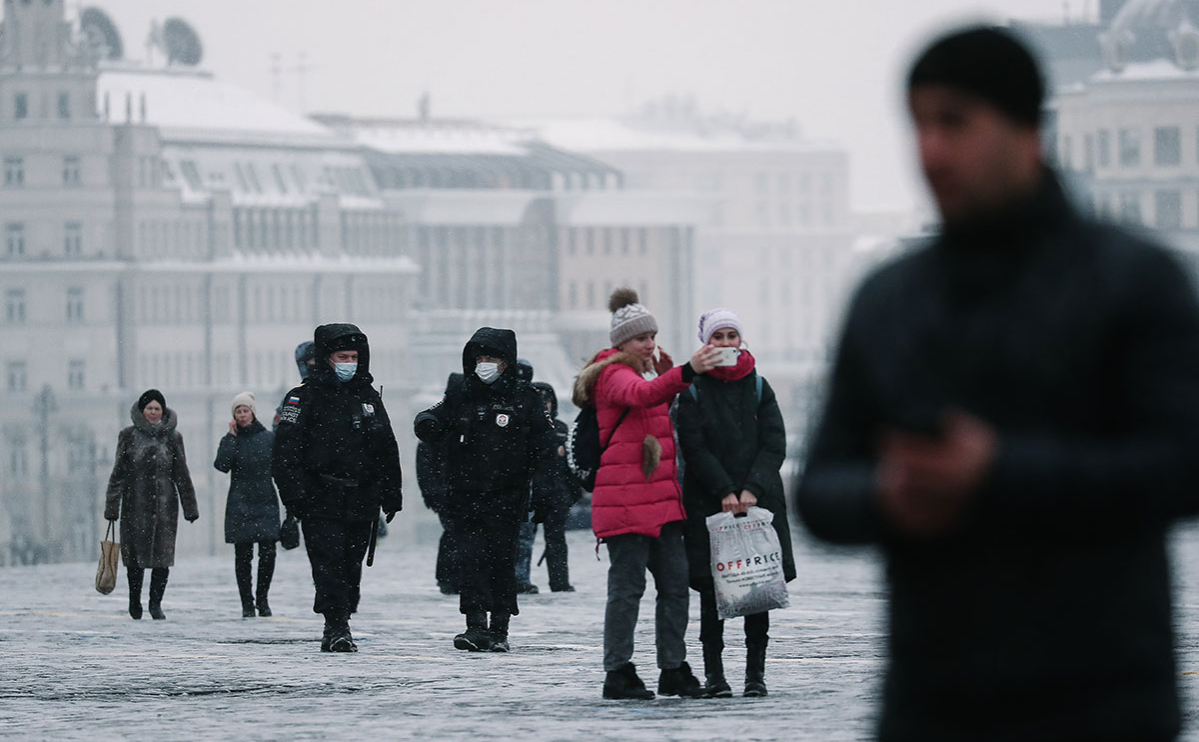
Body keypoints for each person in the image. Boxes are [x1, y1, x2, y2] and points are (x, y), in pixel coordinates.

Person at [795, 26, 1199, 741]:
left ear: (1024, 129)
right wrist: (884, 495)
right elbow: (821, 484)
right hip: (931, 702)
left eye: (953, 122)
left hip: (1100, 702)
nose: (929, 152)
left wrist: (999, 472)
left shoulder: (1135, 280)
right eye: (918, 125)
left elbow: (1184, 466)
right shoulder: (888, 297)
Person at [573, 288, 720, 700]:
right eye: (642, 338)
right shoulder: (611, 375)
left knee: (674, 587)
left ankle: (673, 667)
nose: (650, 344)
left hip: (661, 505)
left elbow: (657, 393)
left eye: (653, 336)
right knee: (627, 592)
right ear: (622, 343)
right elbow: (642, 396)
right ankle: (617, 670)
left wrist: (670, 369)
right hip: (624, 507)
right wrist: (686, 369)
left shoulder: (645, 373)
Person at [413, 328, 557, 653]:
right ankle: (475, 624)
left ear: (507, 361)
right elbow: (435, 414)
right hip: (466, 496)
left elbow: (546, 448)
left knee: (502, 563)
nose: (485, 364)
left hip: (508, 497)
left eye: (491, 357)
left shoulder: (526, 399)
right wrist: (427, 423)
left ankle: (500, 627)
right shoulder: (463, 394)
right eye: (480, 358)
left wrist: (545, 492)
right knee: (471, 561)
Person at [676, 308, 793, 698]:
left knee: (756, 588)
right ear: (706, 343)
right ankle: (715, 675)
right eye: (718, 337)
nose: (725, 343)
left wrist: (751, 489)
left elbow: (774, 442)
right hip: (710, 502)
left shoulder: (759, 385)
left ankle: (755, 675)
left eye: (731, 336)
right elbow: (693, 446)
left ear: (741, 340)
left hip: (757, 503)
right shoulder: (692, 389)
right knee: (714, 592)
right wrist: (724, 488)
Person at [273, 324, 403, 652]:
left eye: (353, 357)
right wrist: (295, 496)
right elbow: (285, 452)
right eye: (341, 356)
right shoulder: (303, 397)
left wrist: (391, 491)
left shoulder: (368, 397)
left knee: (351, 563)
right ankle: (336, 623)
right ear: (326, 359)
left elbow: (386, 446)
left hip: (361, 496)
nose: (348, 362)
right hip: (320, 496)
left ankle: (343, 611)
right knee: (327, 563)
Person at [104, 389, 199, 620]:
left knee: (162, 559)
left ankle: (155, 603)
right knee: (135, 560)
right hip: (134, 507)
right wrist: (112, 506)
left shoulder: (173, 437)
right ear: (142, 411)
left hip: (165, 508)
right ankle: (134, 600)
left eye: (157, 409)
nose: (153, 413)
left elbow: (181, 474)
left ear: (162, 411)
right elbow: (118, 473)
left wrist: (190, 506)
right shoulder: (128, 436)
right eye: (149, 409)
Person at [214, 391, 281, 618]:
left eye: (245, 411)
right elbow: (222, 465)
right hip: (240, 502)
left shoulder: (268, 438)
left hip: (265, 499)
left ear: (253, 412)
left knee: (268, 553)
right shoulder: (230, 440)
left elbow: (280, 469)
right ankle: (247, 602)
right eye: (238, 412)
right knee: (243, 556)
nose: (242, 415)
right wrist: (231, 437)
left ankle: (263, 599)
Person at [526, 380, 580, 592]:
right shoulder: (525, 428)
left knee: (556, 540)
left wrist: (571, 492)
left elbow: (569, 464)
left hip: (555, 493)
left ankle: (559, 581)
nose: (544, 406)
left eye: (547, 402)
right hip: (531, 494)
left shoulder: (560, 428)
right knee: (524, 541)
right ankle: (520, 580)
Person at [417, 372, 464, 595]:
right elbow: (425, 464)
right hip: (447, 492)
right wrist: (433, 492)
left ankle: (451, 577)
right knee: (454, 533)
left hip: (454, 490)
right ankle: (450, 577)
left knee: (455, 534)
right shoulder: (439, 423)